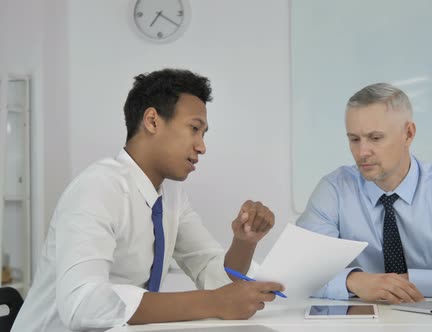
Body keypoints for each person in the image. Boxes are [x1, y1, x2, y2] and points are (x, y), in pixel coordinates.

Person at [13, 69, 284, 332]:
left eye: (203, 134)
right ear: (152, 121)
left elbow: (214, 278)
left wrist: (244, 242)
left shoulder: (171, 196)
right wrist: (214, 303)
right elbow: (83, 304)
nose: (202, 146)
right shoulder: (97, 188)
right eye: (194, 129)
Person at [296, 82, 432, 304]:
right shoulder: (334, 190)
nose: (362, 152)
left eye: (375, 138)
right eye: (354, 139)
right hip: (359, 321)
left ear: (408, 134)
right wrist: (354, 281)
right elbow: (299, 268)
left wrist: (414, 282)